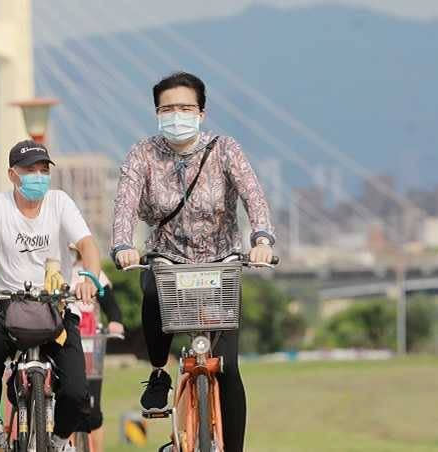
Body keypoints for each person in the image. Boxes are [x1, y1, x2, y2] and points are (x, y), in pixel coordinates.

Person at [111, 72, 275, 451]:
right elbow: (124, 205)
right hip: (167, 260)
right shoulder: (142, 154)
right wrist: (122, 245)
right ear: (156, 113)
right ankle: (157, 372)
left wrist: (262, 239)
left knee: (229, 367)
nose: (176, 115)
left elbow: (254, 196)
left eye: (185, 107)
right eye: (168, 108)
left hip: (220, 264)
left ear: (201, 112)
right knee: (151, 288)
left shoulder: (224, 149)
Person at [0, 139, 102, 452]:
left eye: (43, 169)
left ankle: (61, 440)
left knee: (77, 391)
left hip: (55, 307)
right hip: (6, 304)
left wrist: (88, 277)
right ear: (12, 175)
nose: (37, 176)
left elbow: (87, 245)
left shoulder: (61, 202)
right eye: (29, 170)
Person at [69, 247, 125, 452]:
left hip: (91, 343)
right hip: (66, 341)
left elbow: (112, 306)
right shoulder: (59, 272)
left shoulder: (96, 274)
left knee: (93, 410)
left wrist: (116, 321)